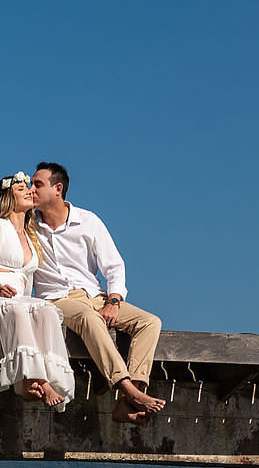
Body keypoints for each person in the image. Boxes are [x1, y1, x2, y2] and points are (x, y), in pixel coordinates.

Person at [29, 163, 164, 423]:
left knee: (150, 322)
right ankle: (125, 387)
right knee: (88, 318)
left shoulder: (88, 221)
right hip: (57, 299)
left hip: (96, 296)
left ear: (58, 189)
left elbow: (114, 266)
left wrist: (113, 301)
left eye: (38, 184)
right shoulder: (28, 224)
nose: (31, 190)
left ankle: (129, 401)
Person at [0, 173, 75, 406]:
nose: (28, 191)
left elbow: (27, 280)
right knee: (15, 309)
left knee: (46, 311)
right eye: (21, 189)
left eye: (28, 188)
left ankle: (51, 377)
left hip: (18, 297)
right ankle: (35, 379)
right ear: (8, 198)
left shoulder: (30, 234)